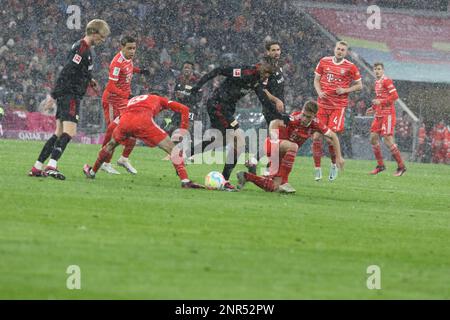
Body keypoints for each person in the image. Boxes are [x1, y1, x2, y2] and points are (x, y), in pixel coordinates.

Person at [28, 19, 110, 180]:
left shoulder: (82, 48)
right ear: (93, 32)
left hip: (68, 93)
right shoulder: (82, 49)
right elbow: (66, 71)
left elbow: (79, 70)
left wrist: (89, 79)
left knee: (58, 133)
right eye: (102, 36)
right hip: (70, 94)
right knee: (69, 132)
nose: (103, 40)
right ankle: (52, 166)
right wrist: (53, 95)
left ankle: (37, 167)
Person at [189, 62, 280, 191]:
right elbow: (220, 69)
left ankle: (185, 153)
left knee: (219, 141)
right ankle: (225, 181)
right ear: (262, 69)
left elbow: (263, 99)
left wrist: (280, 115)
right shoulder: (245, 72)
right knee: (240, 141)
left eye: (269, 76)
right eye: (266, 74)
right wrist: (197, 86)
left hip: (226, 108)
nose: (267, 78)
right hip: (218, 105)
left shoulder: (256, 81)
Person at [83, 94, 204, 189]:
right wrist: (183, 131)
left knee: (111, 145)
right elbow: (184, 109)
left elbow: (121, 118)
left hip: (125, 121)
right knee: (173, 150)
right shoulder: (160, 99)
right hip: (143, 121)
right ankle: (185, 181)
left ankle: (92, 172)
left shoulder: (135, 99)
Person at [236, 101, 344, 193]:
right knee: (293, 146)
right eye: (304, 115)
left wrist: (339, 157)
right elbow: (274, 122)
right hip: (274, 145)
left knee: (273, 187)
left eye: (308, 117)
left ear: (314, 116)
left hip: (283, 154)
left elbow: (333, 136)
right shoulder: (294, 118)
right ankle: (283, 182)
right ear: (302, 111)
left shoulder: (316, 124)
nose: (305, 119)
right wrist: (275, 139)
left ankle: (246, 176)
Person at [312, 40, 362, 181]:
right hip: (322, 105)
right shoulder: (324, 61)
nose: (340, 51)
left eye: (342, 50)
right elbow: (316, 80)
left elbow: (359, 86)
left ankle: (334, 165)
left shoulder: (350, 67)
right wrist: (319, 92)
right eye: (338, 49)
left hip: (337, 107)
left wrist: (345, 90)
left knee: (329, 139)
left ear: (346, 53)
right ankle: (317, 169)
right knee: (316, 137)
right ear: (334, 49)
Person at [100, 35, 150, 175]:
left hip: (123, 101)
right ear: (121, 47)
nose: (132, 51)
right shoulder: (116, 62)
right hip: (112, 101)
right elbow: (110, 86)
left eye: (134, 48)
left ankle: (123, 158)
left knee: (133, 129)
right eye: (129, 48)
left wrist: (140, 71)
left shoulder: (129, 59)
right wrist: (126, 95)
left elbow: (128, 70)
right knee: (112, 132)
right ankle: (105, 163)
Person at [247, 40, 286, 174]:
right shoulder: (266, 67)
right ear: (268, 52)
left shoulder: (278, 66)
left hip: (278, 107)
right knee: (277, 138)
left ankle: (254, 161)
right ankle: (268, 169)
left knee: (274, 137)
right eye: (273, 50)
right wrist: (276, 100)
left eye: (278, 50)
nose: (276, 53)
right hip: (271, 107)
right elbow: (262, 89)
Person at [366, 62, 406, 176]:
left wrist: (381, 102)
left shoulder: (386, 81)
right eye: (375, 69)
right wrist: (373, 108)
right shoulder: (377, 82)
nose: (377, 71)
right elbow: (379, 97)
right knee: (373, 138)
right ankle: (380, 165)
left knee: (388, 140)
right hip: (379, 114)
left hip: (388, 114)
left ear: (383, 70)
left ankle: (401, 167)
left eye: (379, 69)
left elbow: (395, 96)